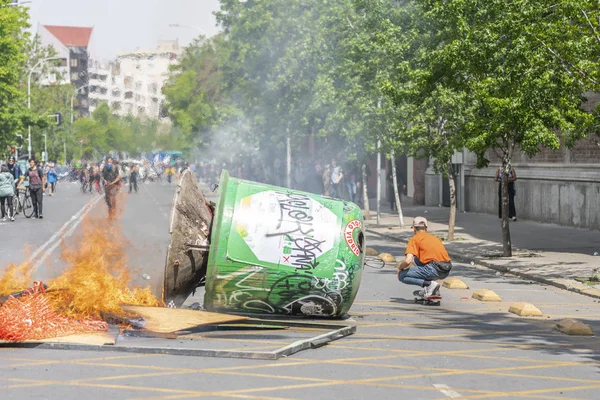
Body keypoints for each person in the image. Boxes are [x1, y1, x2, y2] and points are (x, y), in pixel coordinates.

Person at [396, 217, 453, 298]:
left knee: (402, 276)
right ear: (426, 228)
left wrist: (400, 268)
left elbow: (408, 261)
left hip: (433, 269)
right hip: (446, 269)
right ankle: (433, 289)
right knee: (417, 259)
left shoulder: (414, 239)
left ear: (414, 229)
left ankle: (429, 284)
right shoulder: (435, 238)